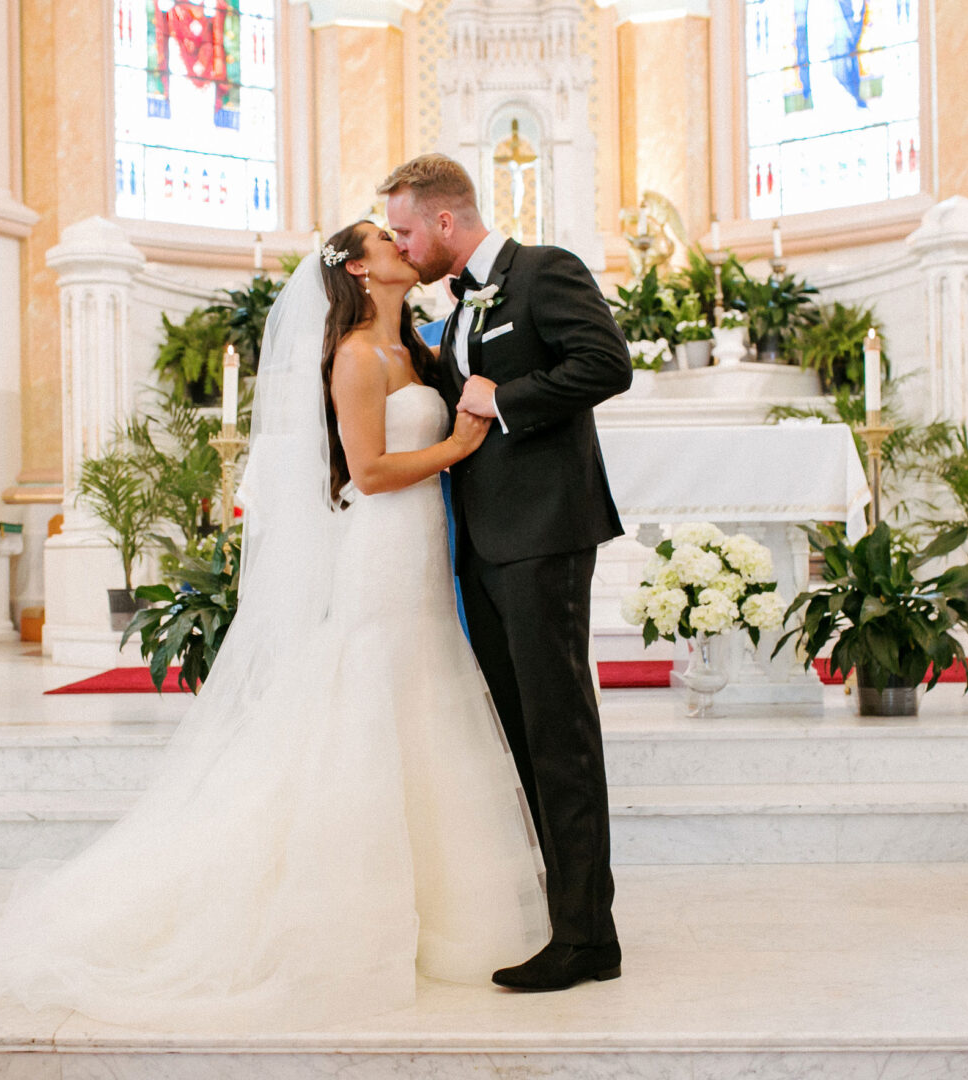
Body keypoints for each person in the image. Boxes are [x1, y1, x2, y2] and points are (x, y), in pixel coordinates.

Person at [0, 235, 548, 1031]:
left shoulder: (413, 343)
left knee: (425, 698)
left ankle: (437, 911)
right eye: (383, 237)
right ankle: (352, 913)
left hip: (425, 548)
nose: (400, 243)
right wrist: (460, 448)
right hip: (384, 544)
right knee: (374, 697)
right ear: (359, 269)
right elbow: (371, 468)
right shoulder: (357, 354)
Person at [381, 154, 632, 991]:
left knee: (560, 735)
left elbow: (607, 364)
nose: (402, 244)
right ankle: (564, 916)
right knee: (521, 732)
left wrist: (508, 398)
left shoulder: (543, 272)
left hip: (544, 536)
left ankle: (588, 939)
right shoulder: (451, 308)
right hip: (483, 546)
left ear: (445, 223)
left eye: (407, 230)